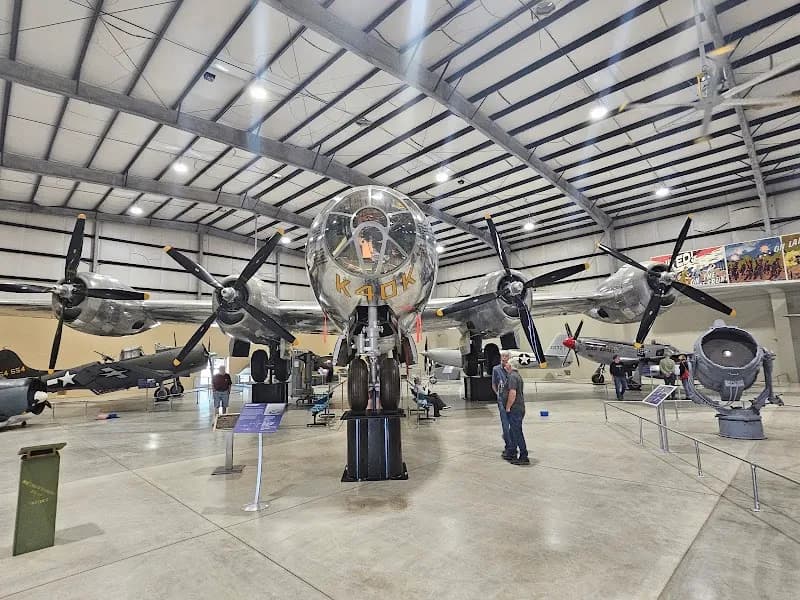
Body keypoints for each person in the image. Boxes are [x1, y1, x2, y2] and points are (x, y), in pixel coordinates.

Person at [503, 360, 529, 465]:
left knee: (517, 433)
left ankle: (524, 456)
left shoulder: (512, 377)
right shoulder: (515, 375)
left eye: (507, 363)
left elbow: (512, 393)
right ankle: (512, 452)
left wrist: (508, 407)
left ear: (511, 366)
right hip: (518, 408)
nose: (505, 364)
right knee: (512, 432)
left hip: (515, 409)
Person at [492, 352, 513, 460]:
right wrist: (498, 395)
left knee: (513, 424)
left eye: (506, 356)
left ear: (509, 358)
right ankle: (508, 446)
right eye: (502, 356)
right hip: (502, 400)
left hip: (512, 400)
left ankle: (512, 444)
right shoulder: (496, 369)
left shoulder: (512, 369)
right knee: (505, 424)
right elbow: (494, 384)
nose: (504, 358)